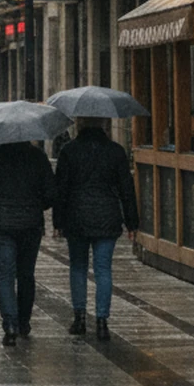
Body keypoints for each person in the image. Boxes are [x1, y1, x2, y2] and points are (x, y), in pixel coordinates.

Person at [52, 118, 139, 342]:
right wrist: (132, 222)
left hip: (76, 216)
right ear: (103, 124)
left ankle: (79, 318)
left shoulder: (69, 151)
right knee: (103, 269)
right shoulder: (115, 151)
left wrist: (57, 222)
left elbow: (61, 189)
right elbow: (126, 189)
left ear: (79, 124)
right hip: (107, 216)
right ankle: (102, 322)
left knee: (78, 267)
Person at [0, 141, 55, 346]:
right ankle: (23, 321)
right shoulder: (37, 156)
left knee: (5, 274)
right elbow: (51, 193)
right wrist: (36, 207)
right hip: (30, 223)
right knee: (26, 274)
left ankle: (9, 323)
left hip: (1, 223)